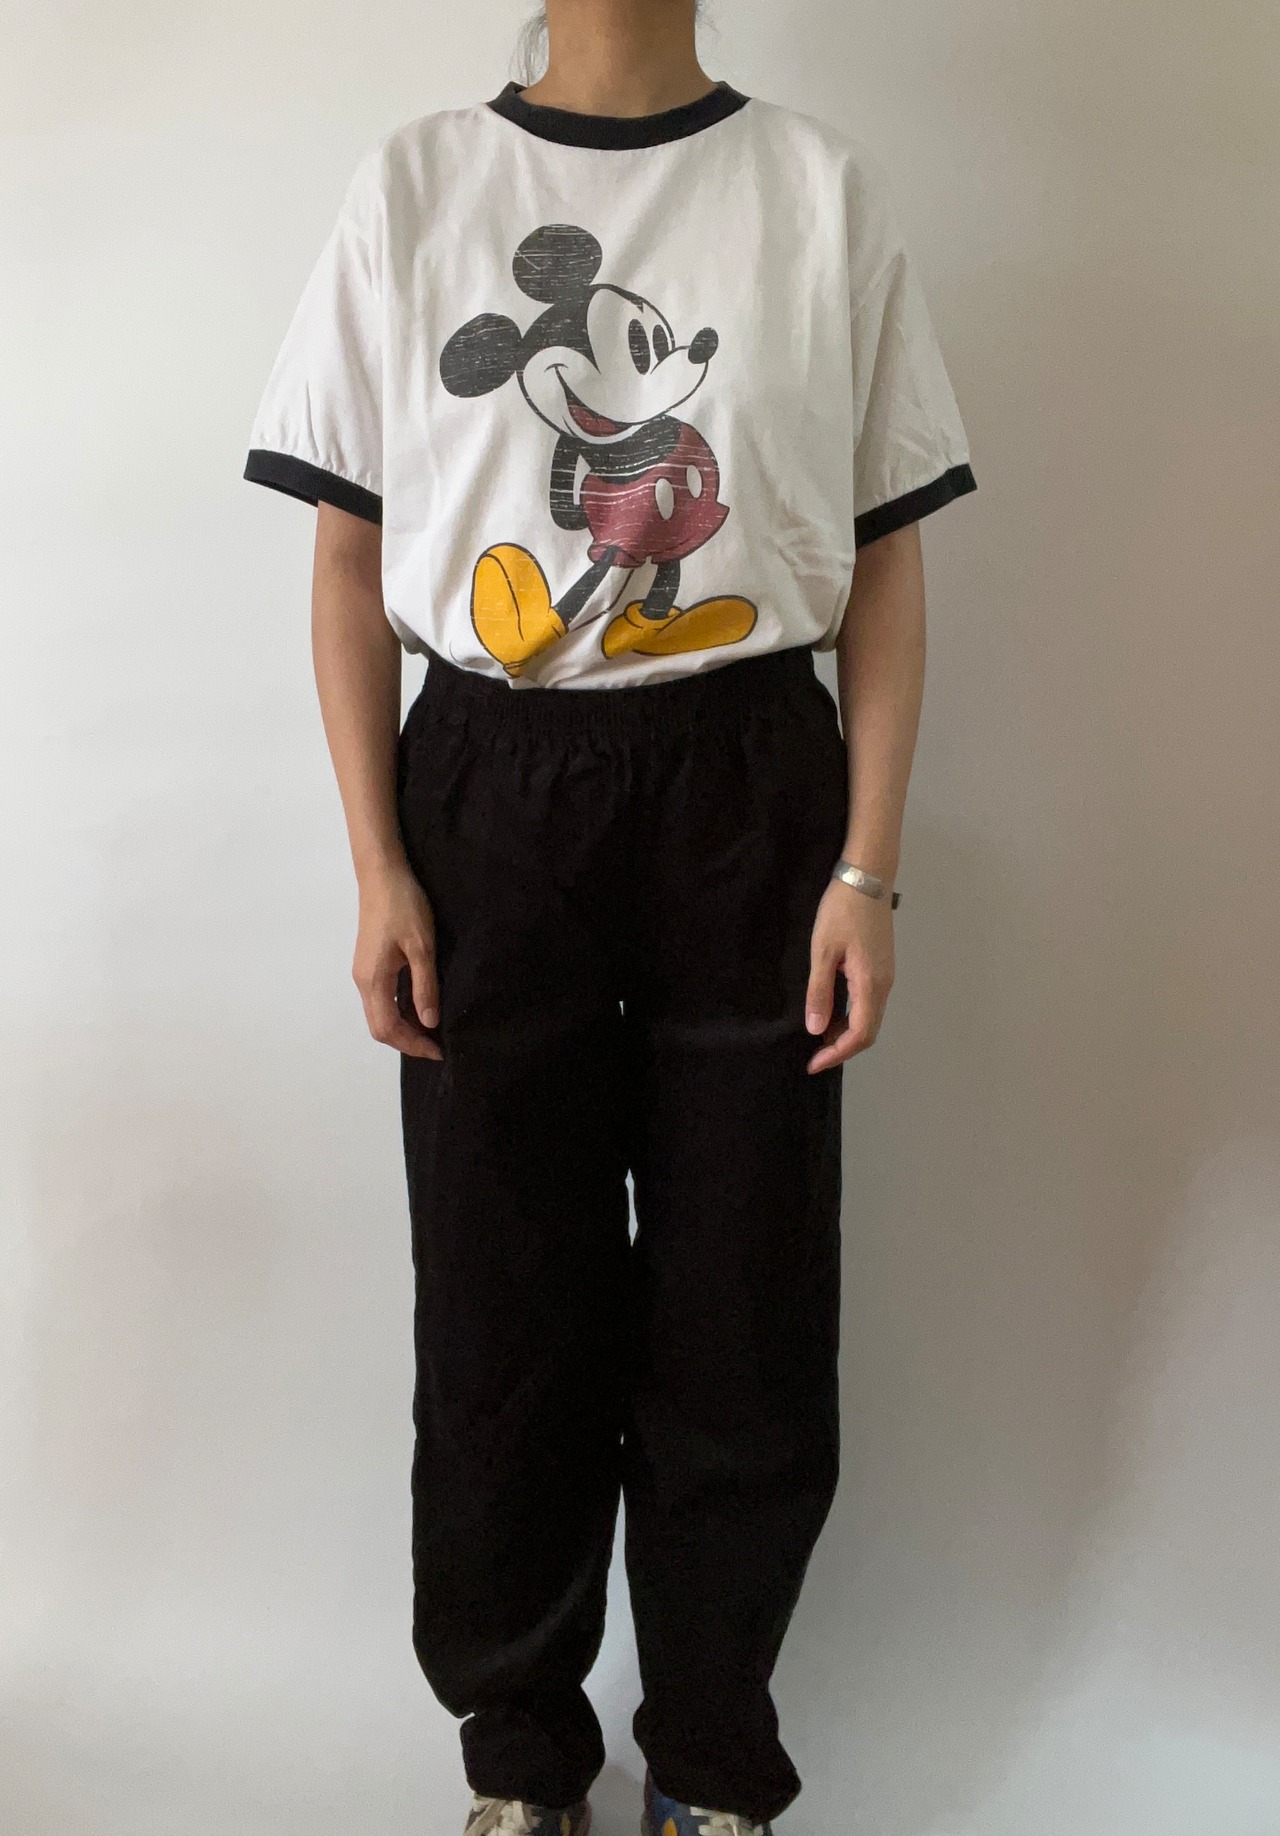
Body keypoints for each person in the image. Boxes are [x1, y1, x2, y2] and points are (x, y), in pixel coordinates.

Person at [242, 1, 976, 1830]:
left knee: (745, 1297)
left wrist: (867, 869)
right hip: (490, 794)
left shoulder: (816, 190)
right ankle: (522, 1765)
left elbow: (886, 557)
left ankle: (714, 1767)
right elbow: (346, 558)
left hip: (753, 787)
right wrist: (379, 863)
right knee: (503, 1302)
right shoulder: (417, 186)